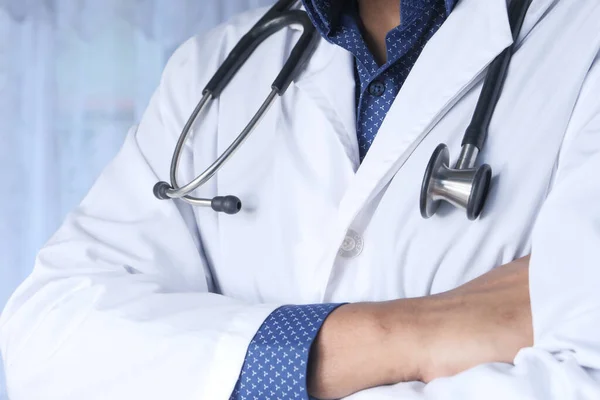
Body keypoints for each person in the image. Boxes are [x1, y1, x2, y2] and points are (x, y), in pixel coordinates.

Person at [2, 0, 600, 399]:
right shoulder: (216, 69)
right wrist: (404, 335)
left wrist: (211, 370)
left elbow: (581, 378)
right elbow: (46, 338)